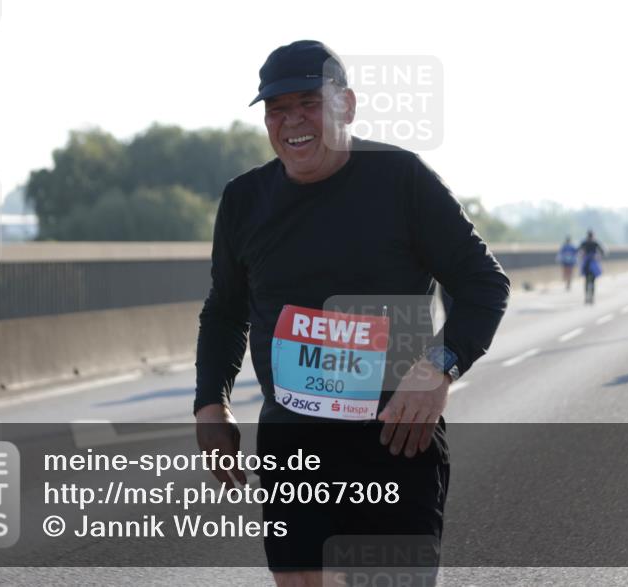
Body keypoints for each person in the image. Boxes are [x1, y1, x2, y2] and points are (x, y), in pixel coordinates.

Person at [193, 40, 511, 586]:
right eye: (277, 110)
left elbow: (483, 283)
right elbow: (225, 311)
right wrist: (210, 405)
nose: (292, 121)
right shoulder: (245, 200)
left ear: (346, 104)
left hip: (393, 444)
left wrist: (438, 367)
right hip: (293, 447)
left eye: (308, 104)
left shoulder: (401, 179)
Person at [578, 230, 605, 304]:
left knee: (586, 280)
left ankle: (586, 297)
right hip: (593, 263)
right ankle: (592, 297)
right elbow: (602, 251)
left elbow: (578, 250)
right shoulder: (595, 242)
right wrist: (599, 257)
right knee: (593, 281)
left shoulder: (584, 242)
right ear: (592, 235)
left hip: (586, 263)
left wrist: (582, 255)